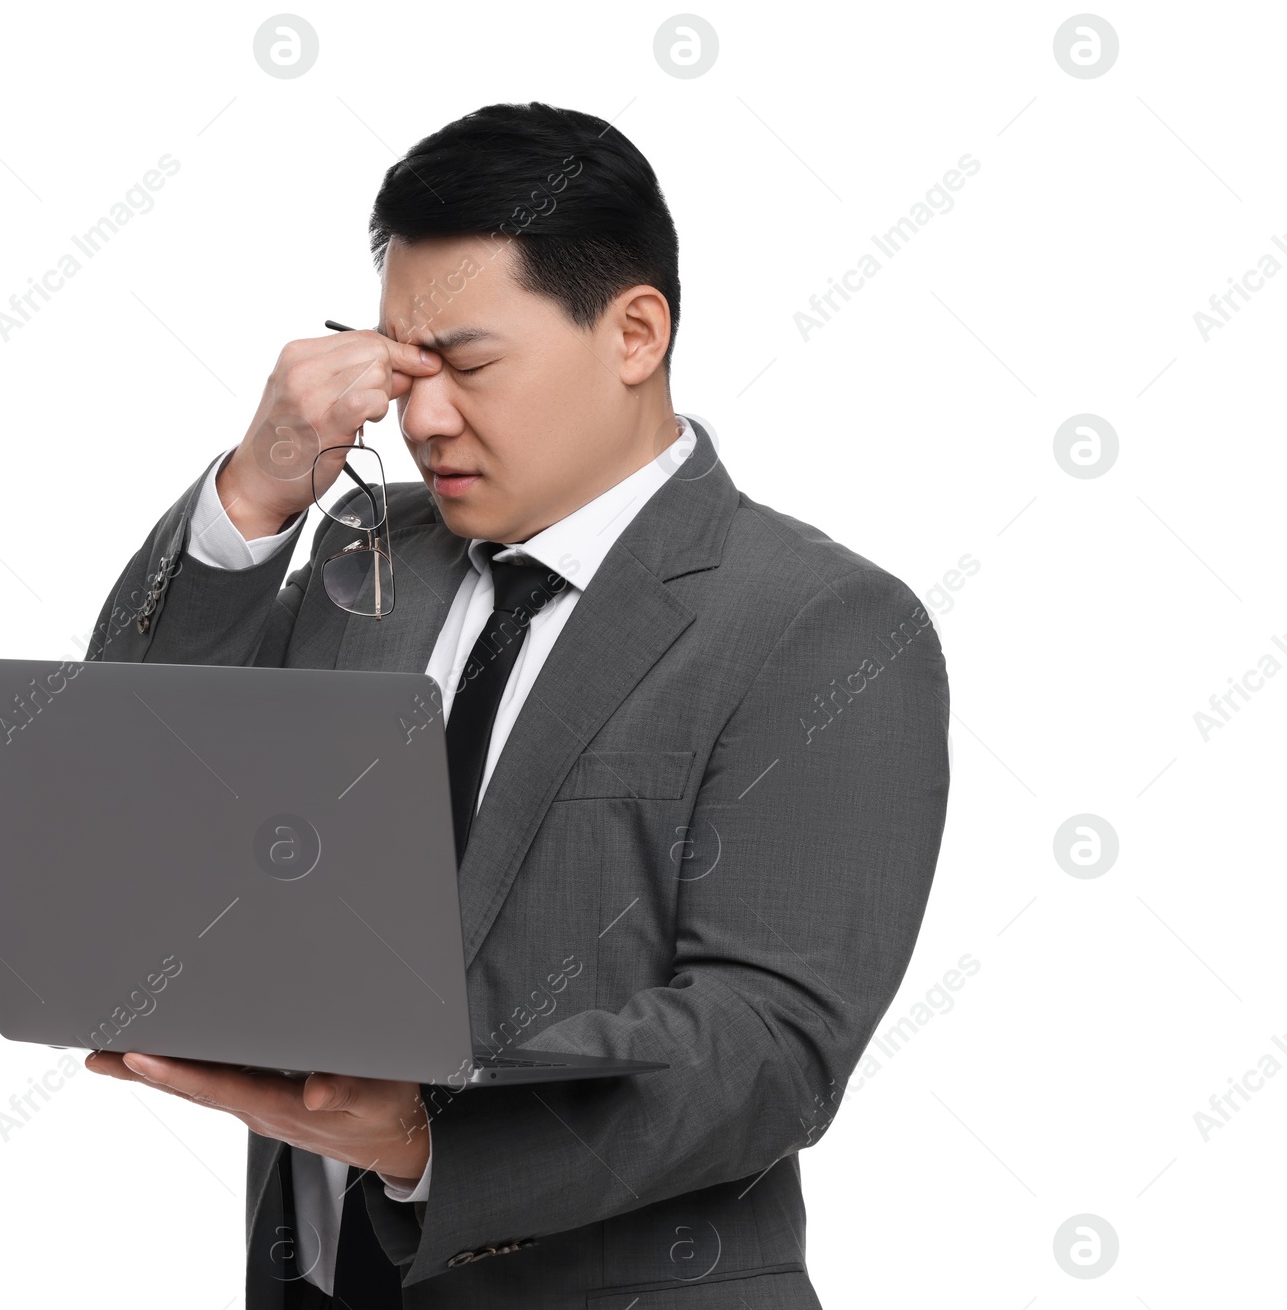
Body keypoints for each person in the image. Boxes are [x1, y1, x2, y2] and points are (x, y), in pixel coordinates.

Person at [82, 101, 950, 1309]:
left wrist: (425, 1134)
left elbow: (771, 1047)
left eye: (469, 364)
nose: (421, 418)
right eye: (400, 366)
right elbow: (127, 775)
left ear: (633, 331)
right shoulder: (359, 556)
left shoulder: (820, 623)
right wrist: (256, 488)